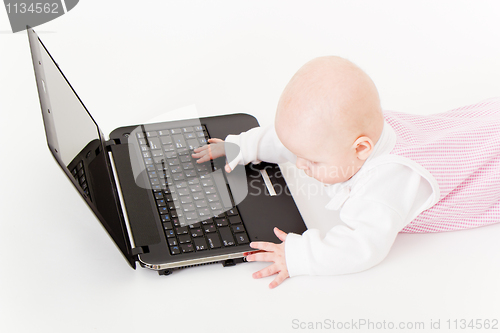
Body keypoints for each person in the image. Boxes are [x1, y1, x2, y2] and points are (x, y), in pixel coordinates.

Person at [191, 56, 500, 289]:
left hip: (485, 165)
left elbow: (363, 247)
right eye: (300, 157)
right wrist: (245, 147)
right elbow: (294, 140)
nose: (300, 165)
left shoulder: (386, 184)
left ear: (361, 150)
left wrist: (298, 256)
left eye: (311, 162)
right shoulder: (344, 135)